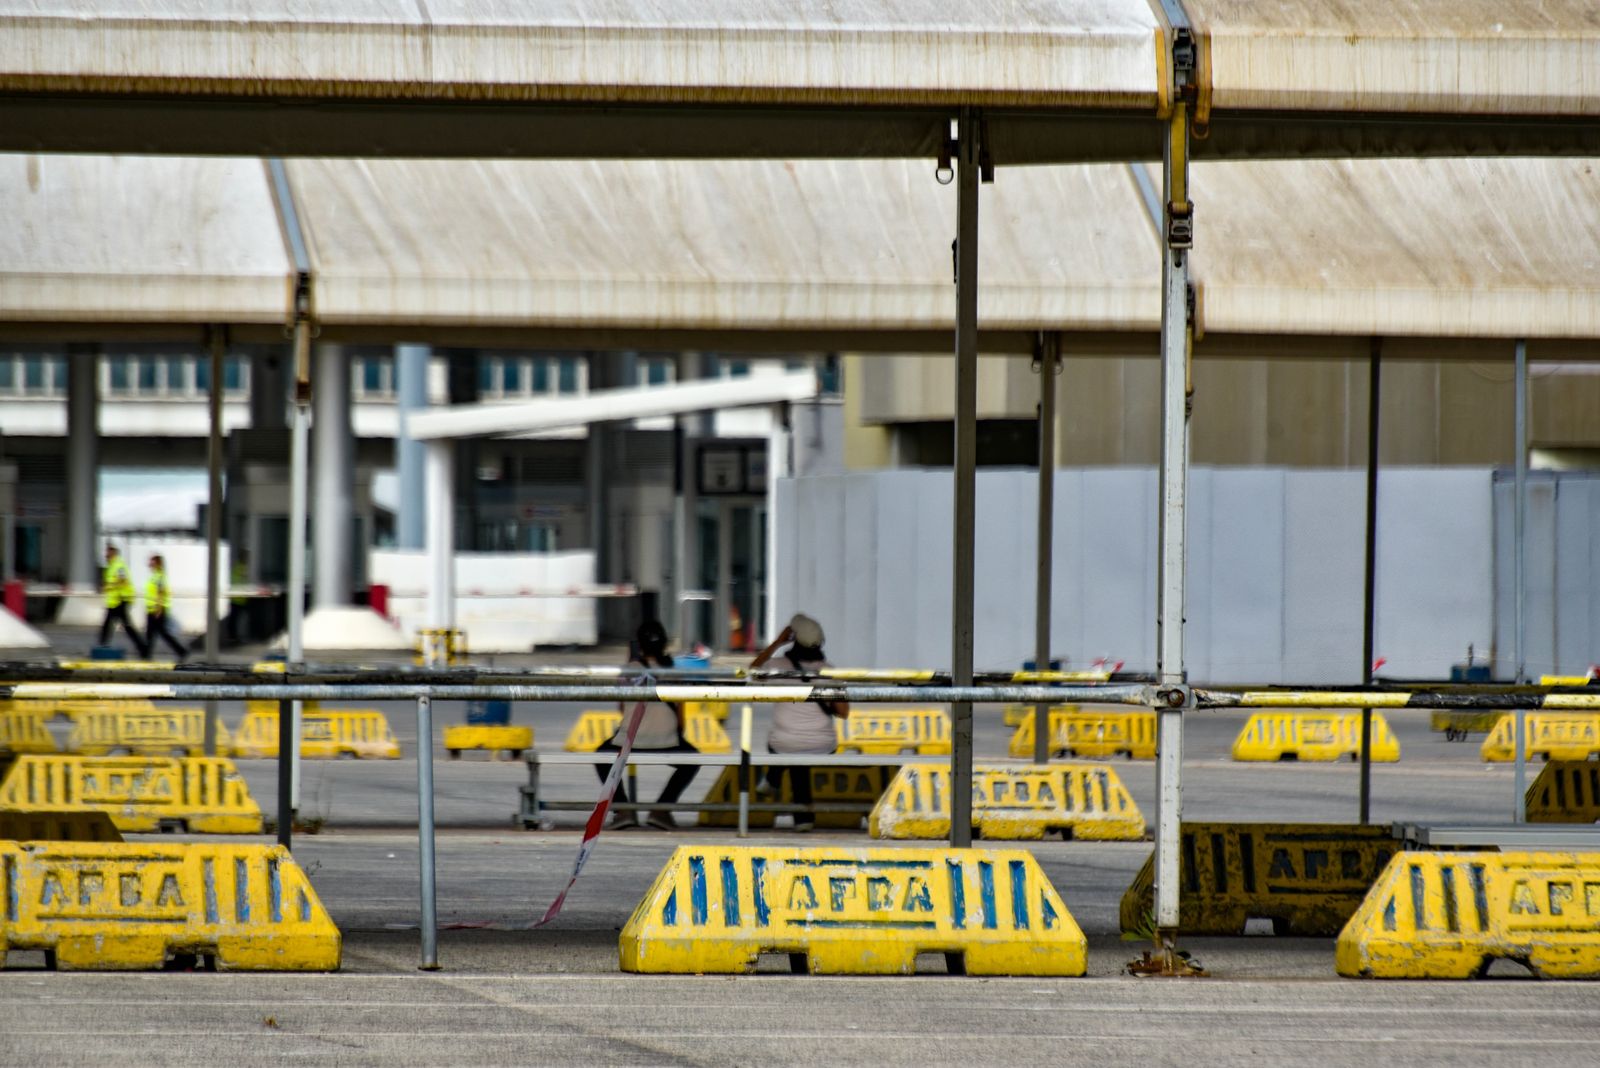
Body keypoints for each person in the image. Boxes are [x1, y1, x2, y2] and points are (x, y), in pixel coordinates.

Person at [593, 620, 700, 831]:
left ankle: (623, 810)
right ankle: (661, 810)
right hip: (667, 741)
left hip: (630, 741)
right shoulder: (673, 672)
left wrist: (630, 663)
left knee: (601, 756)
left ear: (639, 645)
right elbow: (681, 720)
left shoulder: (629, 670)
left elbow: (622, 710)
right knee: (692, 759)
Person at [751, 613, 848, 832]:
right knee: (800, 757)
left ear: (792, 637)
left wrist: (777, 642)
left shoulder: (776, 666)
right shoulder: (830, 671)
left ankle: (773, 779)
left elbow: (751, 672)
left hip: (783, 743)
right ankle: (803, 819)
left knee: (793, 749)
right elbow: (843, 713)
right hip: (823, 744)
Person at [98, 544, 149, 657]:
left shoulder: (119, 565)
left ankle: (143, 649)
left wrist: (110, 586)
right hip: (114, 602)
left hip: (120, 600)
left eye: (108, 553)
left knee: (124, 626)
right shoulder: (111, 566)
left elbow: (123, 581)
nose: (106, 555)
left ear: (114, 553)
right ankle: (102, 646)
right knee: (109, 625)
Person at [143, 553, 188, 660]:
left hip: (157, 610)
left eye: (152, 562)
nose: (149, 564)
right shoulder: (155, 576)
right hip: (152, 609)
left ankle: (181, 651)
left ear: (157, 564)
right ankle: (147, 654)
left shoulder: (159, 577)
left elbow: (160, 593)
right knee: (152, 633)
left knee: (161, 634)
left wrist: (158, 609)